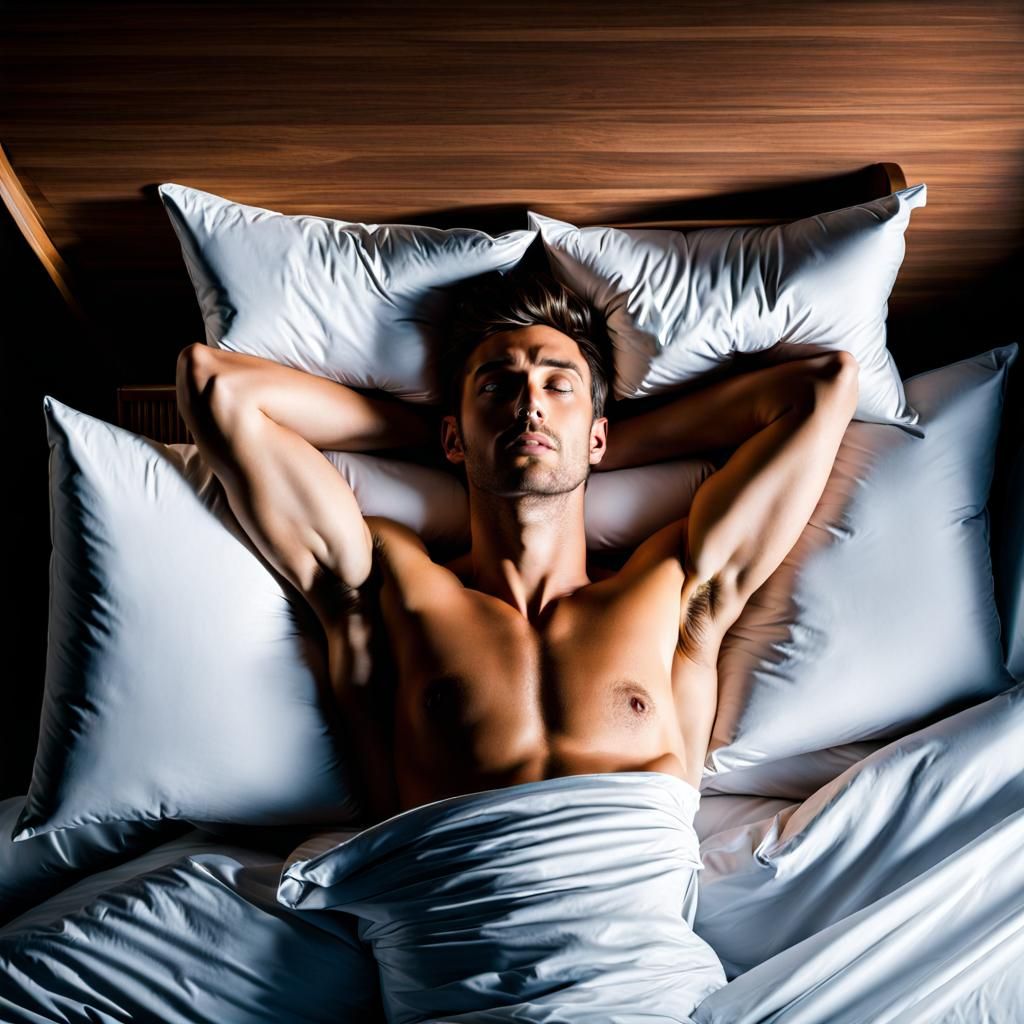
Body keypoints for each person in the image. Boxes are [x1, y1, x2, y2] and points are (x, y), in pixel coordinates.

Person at [175, 268, 858, 824]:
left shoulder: (676, 592)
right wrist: (466, 438)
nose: (529, 403)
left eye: (557, 385)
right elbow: (216, 384)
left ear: (598, 434)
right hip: (458, 953)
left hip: (635, 955)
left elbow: (821, 385)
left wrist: (591, 440)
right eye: (499, 386)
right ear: (451, 434)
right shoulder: (391, 586)